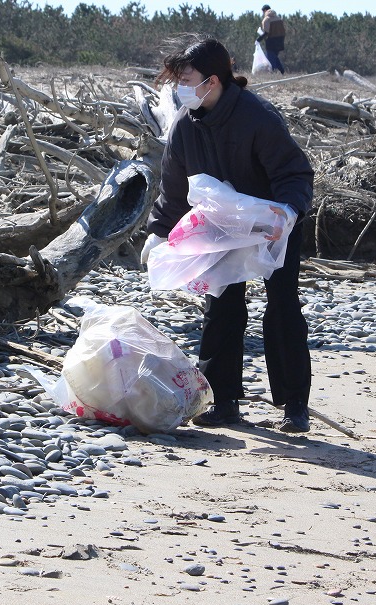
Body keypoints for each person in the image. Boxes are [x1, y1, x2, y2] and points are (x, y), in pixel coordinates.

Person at [143, 36, 314, 433]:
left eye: (187, 81)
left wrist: (288, 211)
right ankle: (223, 402)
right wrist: (159, 232)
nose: (180, 90)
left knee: (283, 307)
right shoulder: (185, 127)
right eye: (178, 83)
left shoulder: (258, 118)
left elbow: (295, 172)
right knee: (221, 304)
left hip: (275, 221)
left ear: (214, 81)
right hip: (222, 225)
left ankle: (295, 406)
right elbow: (173, 188)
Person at [256, 5, 286, 74]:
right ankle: (282, 71)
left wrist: (258, 39)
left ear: (265, 10)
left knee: (270, 59)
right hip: (280, 41)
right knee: (274, 57)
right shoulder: (279, 18)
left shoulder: (266, 19)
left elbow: (266, 32)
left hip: (271, 42)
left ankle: (273, 72)